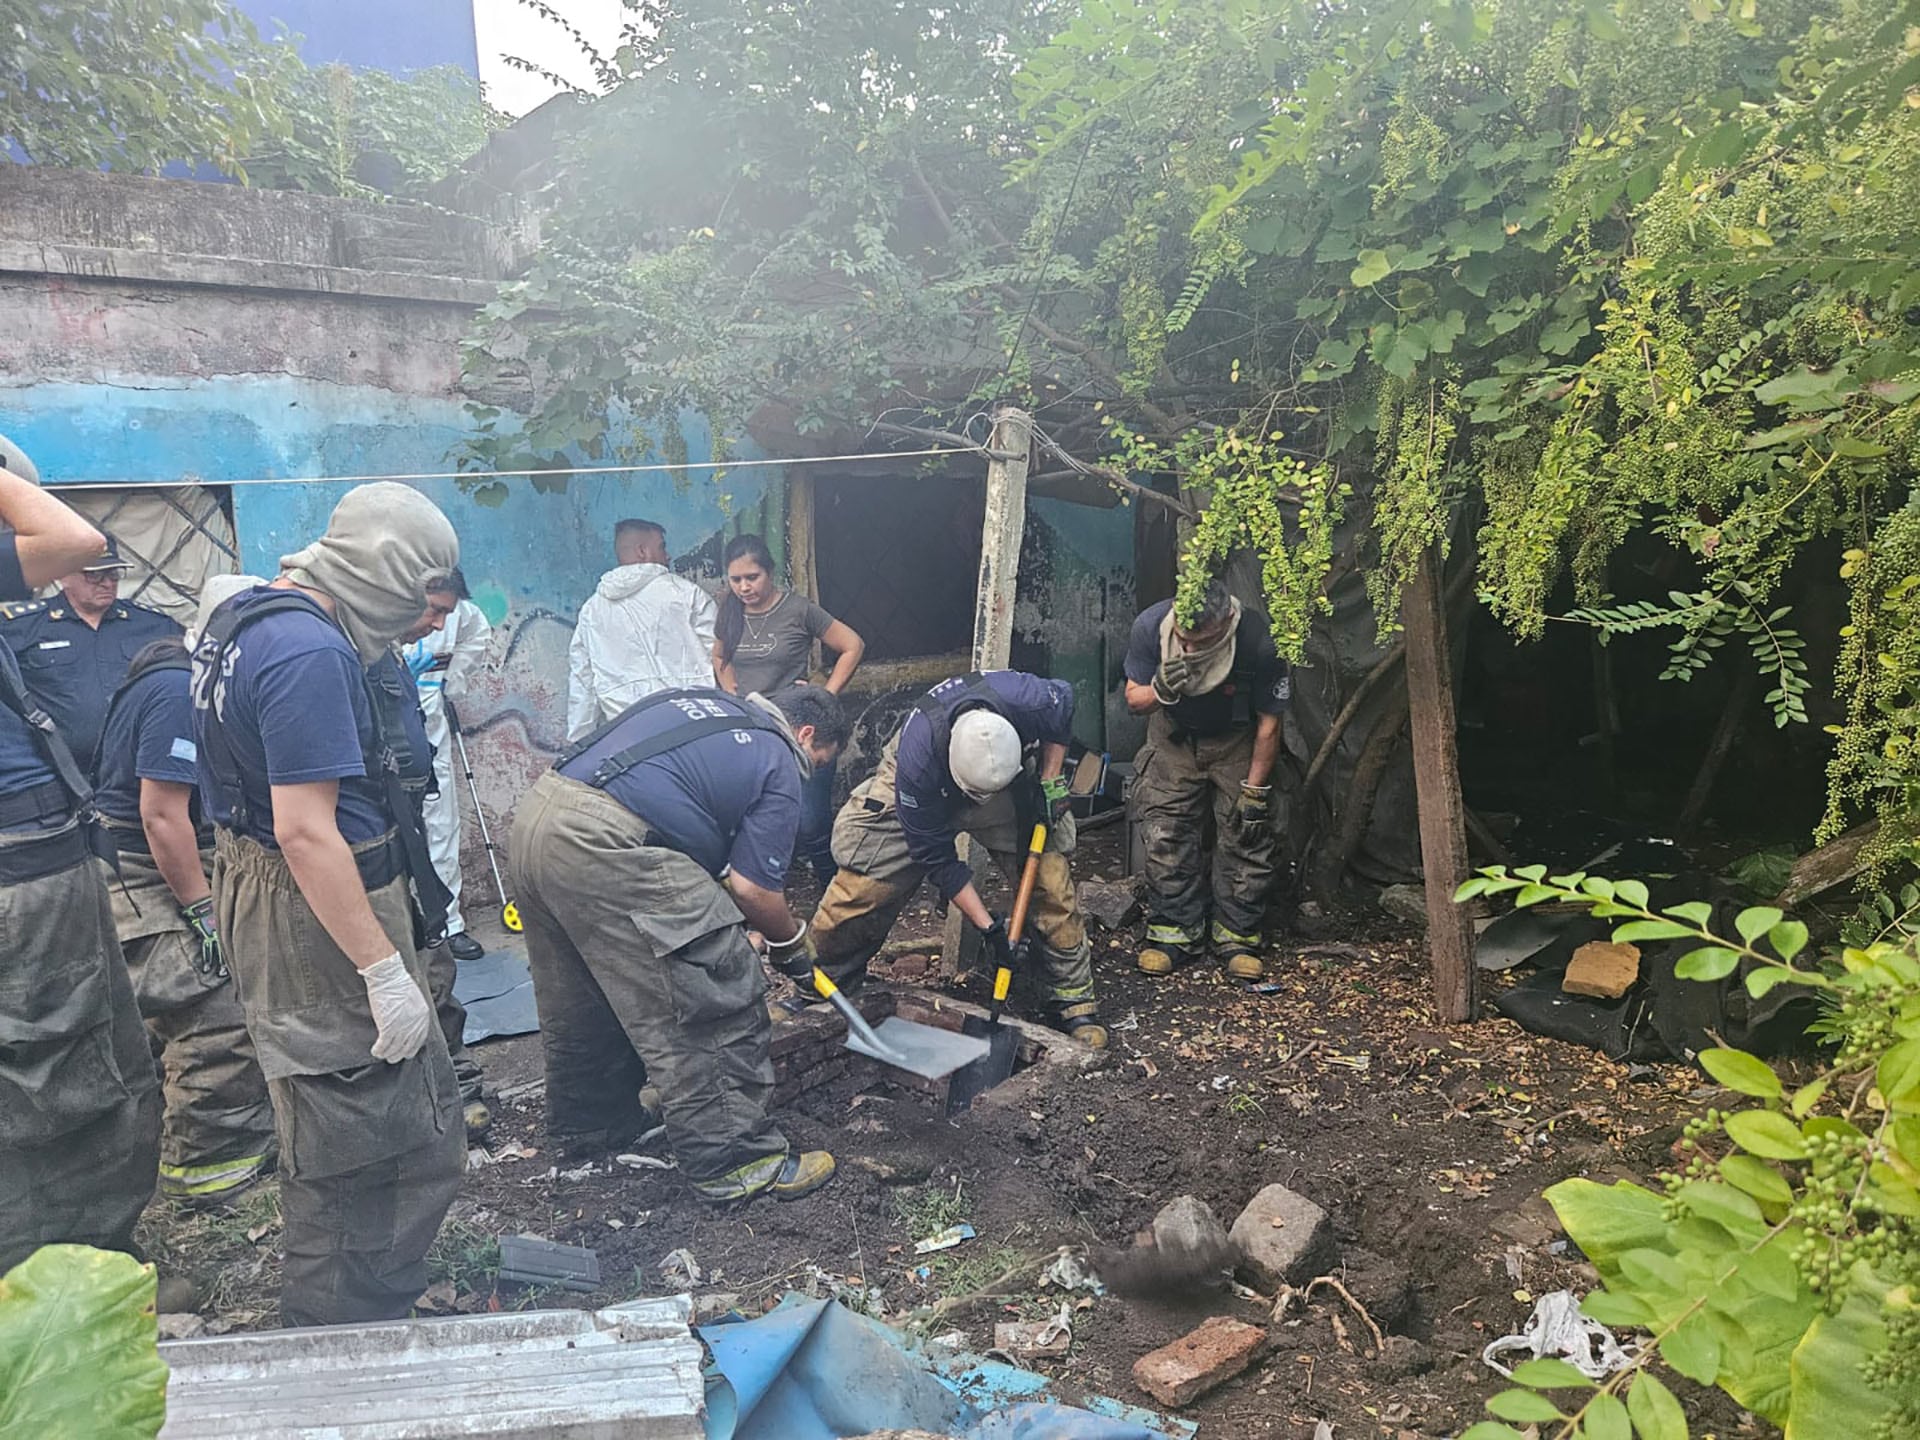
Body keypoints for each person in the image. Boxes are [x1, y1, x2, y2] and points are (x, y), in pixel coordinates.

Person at [190, 482, 465, 1327]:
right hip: (317, 906)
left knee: (350, 1115)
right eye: (423, 588)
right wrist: (383, 970)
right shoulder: (309, 652)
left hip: (280, 891)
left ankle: (351, 1310)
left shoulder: (246, 621)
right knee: (364, 1131)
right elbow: (306, 832)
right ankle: (344, 1328)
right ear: (384, 573)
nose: (427, 612)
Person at [509, 684, 848, 1204]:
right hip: (609, 843)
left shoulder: (706, 705)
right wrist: (791, 945)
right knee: (714, 984)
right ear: (805, 735)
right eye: (820, 762)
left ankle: (594, 1122)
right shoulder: (778, 756)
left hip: (540, 820)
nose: (812, 773)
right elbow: (755, 889)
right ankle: (739, 1161)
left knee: (581, 991)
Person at [0, 436, 163, 1274]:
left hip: (47, 846)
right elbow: (74, 540)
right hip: (24, 863)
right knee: (63, 1074)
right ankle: (68, 1276)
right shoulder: (44, 585)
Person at [809, 670, 1107, 1049]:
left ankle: (1072, 997)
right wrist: (989, 928)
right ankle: (823, 984)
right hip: (918, 786)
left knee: (1049, 880)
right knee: (863, 885)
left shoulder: (1029, 698)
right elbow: (937, 858)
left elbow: (1062, 704)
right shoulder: (917, 766)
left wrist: (1050, 780)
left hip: (1007, 789)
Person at [93, 615, 276, 1206]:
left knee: (158, 1024)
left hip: (139, 858)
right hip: (137, 870)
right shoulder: (179, 691)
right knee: (216, 1010)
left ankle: (166, 1155)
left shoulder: (174, 676)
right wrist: (203, 911)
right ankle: (208, 1172)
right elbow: (161, 816)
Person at [1122, 579, 1290, 981]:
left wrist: (1255, 791)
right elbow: (1133, 699)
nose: (1193, 651)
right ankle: (1173, 933)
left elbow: (1270, 725)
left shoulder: (1257, 638)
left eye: (1205, 642)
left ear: (1227, 619)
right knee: (1165, 832)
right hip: (1173, 737)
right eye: (1186, 640)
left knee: (1247, 834)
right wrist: (1160, 688)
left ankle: (1237, 936)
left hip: (1237, 739)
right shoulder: (1152, 625)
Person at [712, 534, 865, 878]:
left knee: (811, 821)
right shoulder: (730, 610)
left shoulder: (798, 609)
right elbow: (720, 655)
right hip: (751, 730)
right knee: (752, 813)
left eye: (752, 577)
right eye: (736, 579)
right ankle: (765, 890)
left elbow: (852, 645)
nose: (744, 587)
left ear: (769, 572)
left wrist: (826, 694)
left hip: (800, 727)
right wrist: (732, 692)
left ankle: (830, 891)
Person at [1, 536, 183, 765]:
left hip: (136, 768)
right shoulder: (21, 626)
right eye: (94, 574)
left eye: (114, 574)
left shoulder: (152, 625)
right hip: (56, 772)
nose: (107, 583)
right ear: (63, 575)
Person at [402, 568, 494, 962]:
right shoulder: (376, 612)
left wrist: (452, 679)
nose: (439, 621)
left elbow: (478, 634)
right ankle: (407, 926)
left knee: (440, 822)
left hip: (430, 722)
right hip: (384, 730)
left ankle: (447, 923)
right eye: (433, 609)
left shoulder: (458, 614)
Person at [567, 518, 717, 740]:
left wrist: (577, 744)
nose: (668, 556)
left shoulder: (592, 610)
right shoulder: (686, 594)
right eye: (662, 547)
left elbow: (582, 684)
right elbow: (719, 656)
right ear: (642, 551)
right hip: (692, 726)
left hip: (629, 736)